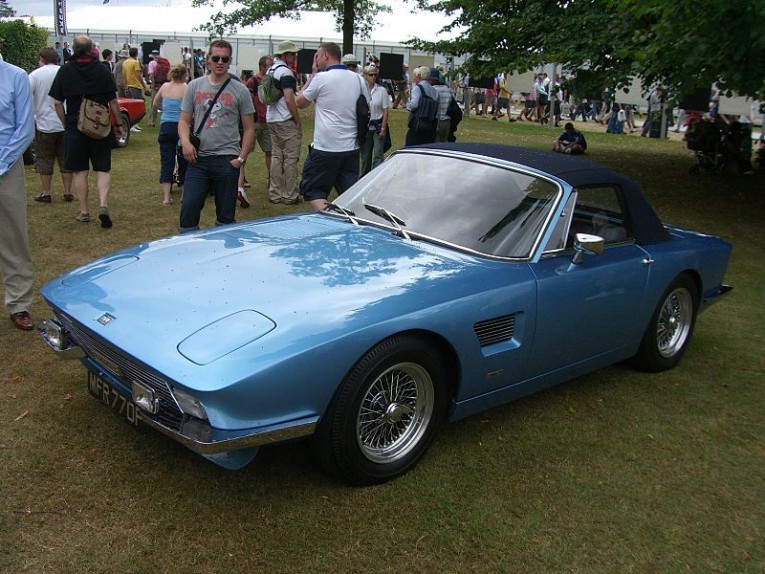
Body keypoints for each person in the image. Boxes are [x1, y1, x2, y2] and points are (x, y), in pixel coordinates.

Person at [177, 39, 255, 233]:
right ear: (208, 60)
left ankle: (224, 254)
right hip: (198, 159)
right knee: (189, 206)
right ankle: (187, 248)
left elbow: (249, 128)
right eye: (216, 58)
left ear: (230, 62)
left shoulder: (241, 90)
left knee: (226, 216)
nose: (220, 62)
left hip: (227, 159)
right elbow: (184, 120)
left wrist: (241, 158)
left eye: (225, 58)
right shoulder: (194, 86)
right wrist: (186, 143)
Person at [49, 34, 124, 228]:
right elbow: (113, 101)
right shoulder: (101, 69)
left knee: (80, 171)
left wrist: (66, 123)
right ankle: (103, 205)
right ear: (92, 49)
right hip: (99, 125)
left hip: (75, 126)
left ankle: (84, 211)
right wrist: (118, 125)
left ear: (73, 49)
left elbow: (57, 102)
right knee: (102, 168)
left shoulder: (65, 70)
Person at [296, 42, 370, 211]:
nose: (315, 60)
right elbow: (367, 105)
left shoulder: (321, 78)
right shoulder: (358, 79)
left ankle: (332, 219)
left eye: (317, 56)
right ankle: (352, 222)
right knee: (349, 193)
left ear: (326, 56)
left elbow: (299, 102)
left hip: (325, 149)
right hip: (351, 148)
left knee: (315, 191)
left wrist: (313, 74)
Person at [0, 57, 36, 330]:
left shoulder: (15, 76)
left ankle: (19, 303)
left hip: (6, 166)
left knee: (12, 238)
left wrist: (1, 163)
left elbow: (25, 129)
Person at [28, 47, 74, 204]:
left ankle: (46, 192)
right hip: (64, 121)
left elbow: (28, 96)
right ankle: (68, 191)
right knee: (65, 158)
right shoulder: (65, 72)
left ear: (41, 58)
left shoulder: (35, 75)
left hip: (43, 122)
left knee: (44, 158)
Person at [266, 40, 302, 205]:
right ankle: (290, 194)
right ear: (285, 55)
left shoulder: (270, 70)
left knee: (276, 156)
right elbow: (289, 99)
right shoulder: (286, 73)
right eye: (292, 54)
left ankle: (275, 193)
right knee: (290, 158)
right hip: (284, 119)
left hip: (271, 118)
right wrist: (297, 119)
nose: (295, 56)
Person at [152, 64, 189, 205]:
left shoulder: (165, 87)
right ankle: (184, 196)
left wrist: (166, 109)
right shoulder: (186, 88)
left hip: (166, 126)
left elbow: (155, 103)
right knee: (184, 161)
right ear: (184, 75)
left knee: (167, 161)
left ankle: (166, 198)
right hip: (181, 126)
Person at [243, 55, 273, 192]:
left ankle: (272, 179)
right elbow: (247, 100)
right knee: (245, 151)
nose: (271, 68)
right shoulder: (252, 81)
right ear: (262, 67)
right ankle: (241, 179)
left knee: (270, 151)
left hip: (267, 121)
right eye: (269, 66)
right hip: (254, 122)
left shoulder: (270, 80)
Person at [359, 63, 389, 176]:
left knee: (378, 154)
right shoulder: (361, 91)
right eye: (371, 74)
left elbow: (385, 110)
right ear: (365, 76)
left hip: (377, 126)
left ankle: (375, 177)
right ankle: (363, 178)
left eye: (375, 74)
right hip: (365, 128)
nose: (373, 77)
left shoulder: (381, 91)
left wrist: (383, 129)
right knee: (365, 156)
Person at [405, 66, 438, 146]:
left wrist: (407, 105)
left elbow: (414, 104)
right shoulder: (435, 91)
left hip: (419, 124)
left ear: (419, 76)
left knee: (411, 145)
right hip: (431, 125)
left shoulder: (417, 88)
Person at [123, 47, 148, 131]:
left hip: (129, 85)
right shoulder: (135, 62)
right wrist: (144, 86)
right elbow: (138, 75)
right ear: (136, 54)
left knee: (132, 105)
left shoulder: (125, 62)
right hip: (135, 85)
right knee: (138, 106)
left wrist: (125, 86)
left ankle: (135, 124)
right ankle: (133, 124)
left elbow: (124, 75)